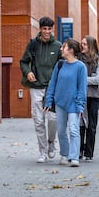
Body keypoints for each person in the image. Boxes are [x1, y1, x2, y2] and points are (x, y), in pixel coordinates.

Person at [20, 17, 62, 163]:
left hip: (52, 88)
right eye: (44, 29)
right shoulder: (32, 44)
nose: (46, 31)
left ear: (52, 30)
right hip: (36, 87)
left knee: (53, 119)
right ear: (40, 29)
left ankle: (51, 143)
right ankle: (42, 151)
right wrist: (28, 72)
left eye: (49, 29)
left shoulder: (58, 46)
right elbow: (23, 62)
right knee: (38, 120)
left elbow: (62, 65)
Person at [44, 38, 87, 167]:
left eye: (64, 46)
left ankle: (74, 157)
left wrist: (80, 105)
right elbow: (53, 83)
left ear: (71, 50)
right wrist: (49, 100)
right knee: (61, 131)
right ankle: (64, 154)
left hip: (74, 104)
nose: (61, 49)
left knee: (73, 130)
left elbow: (82, 87)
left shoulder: (80, 67)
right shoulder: (60, 64)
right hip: (60, 103)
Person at [78, 35, 99, 161]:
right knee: (80, 124)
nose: (82, 45)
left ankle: (89, 153)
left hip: (93, 96)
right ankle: (79, 151)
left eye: (84, 44)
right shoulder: (77, 59)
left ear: (91, 46)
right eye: (81, 43)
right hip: (80, 96)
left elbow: (97, 79)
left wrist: (81, 79)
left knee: (92, 125)